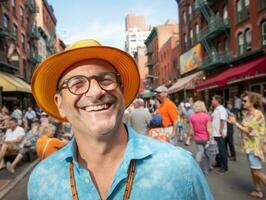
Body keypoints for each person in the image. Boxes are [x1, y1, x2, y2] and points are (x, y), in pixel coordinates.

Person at [28, 39, 213, 199]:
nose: (96, 91)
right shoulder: (42, 181)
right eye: (77, 84)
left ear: (122, 93)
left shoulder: (180, 169)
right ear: (60, 104)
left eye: (106, 79)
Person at [228, 91, 266, 199]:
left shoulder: (257, 114)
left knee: (256, 172)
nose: (242, 102)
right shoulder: (247, 114)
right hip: (249, 146)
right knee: (253, 170)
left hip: (255, 147)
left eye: (245, 101)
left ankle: (258, 191)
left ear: (252, 102)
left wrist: (235, 122)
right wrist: (234, 121)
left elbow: (249, 131)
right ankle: (258, 191)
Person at [188, 101, 212, 175]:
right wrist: (211, 136)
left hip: (197, 138)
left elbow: (191, 129)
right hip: (206, 138)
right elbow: (209, 128)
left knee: (199, 152)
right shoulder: (206, 116)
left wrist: (189, 137)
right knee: (206, 154)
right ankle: (205, 170)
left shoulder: (192, 117)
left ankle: (196, 167)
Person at [211, 95, 228, 174]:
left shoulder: (221, 109)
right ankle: (218, 163)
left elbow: (222, 120)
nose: (212, 101)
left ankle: (224, 167)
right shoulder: (216, 109)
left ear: (217, 101)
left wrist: (221, 130)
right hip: (215, 132)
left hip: (219, 133)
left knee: (222, 150)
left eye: (213, 99)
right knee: (217, 149)